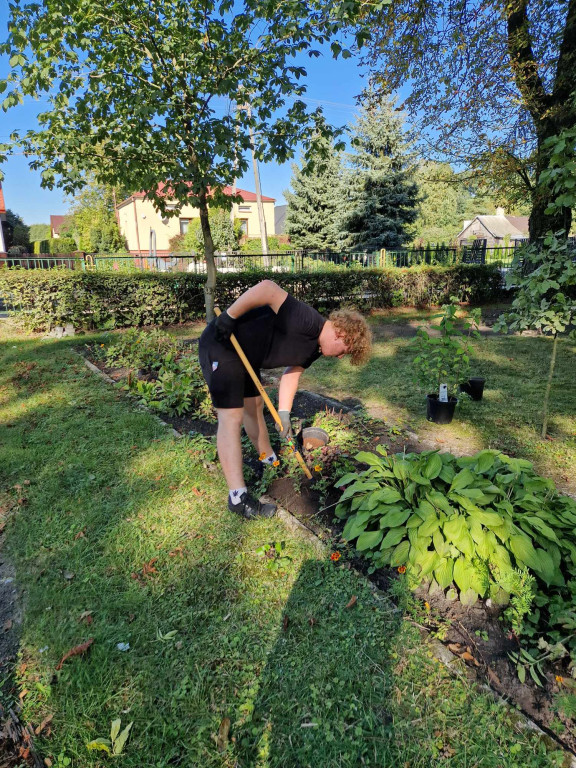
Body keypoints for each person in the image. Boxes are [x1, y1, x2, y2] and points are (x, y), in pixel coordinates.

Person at [198, 280, 372, 519]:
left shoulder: (315, 348)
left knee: (255, 406)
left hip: (246, 357)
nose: (341, 357)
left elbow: (291, 375)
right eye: (344, 351)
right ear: (341, 334)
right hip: (223, 344)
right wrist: (229, 316)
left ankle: (268, 460)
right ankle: (237, 497)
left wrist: (284, 413)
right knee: (231, 416)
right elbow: (268, 289)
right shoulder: (307, 320)